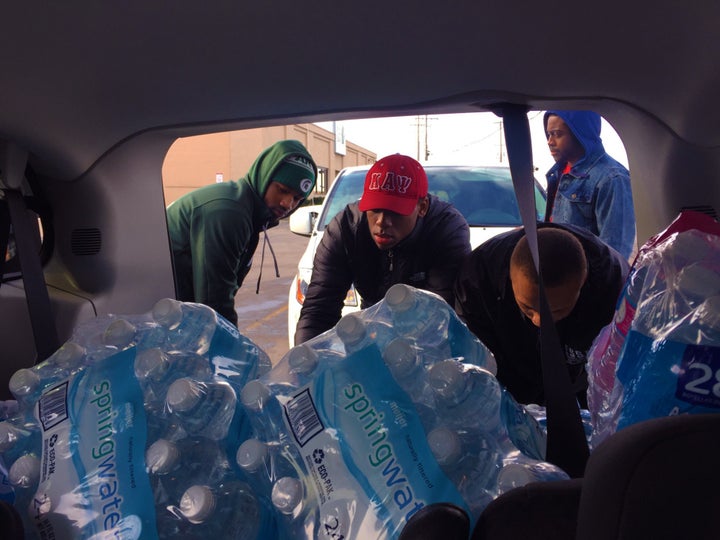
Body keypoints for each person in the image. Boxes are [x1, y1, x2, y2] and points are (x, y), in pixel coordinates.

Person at [295, 153, 471, 345]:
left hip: (426, 332)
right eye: (375, 208)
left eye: (395, 211)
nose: (381, 222)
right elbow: (319, 310)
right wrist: (305, 365)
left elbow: (440, 316)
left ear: (422, 207)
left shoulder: (446, 230)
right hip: (372, 326)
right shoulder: (345, 229)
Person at [454, 223, 629, 407]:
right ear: (511, 277)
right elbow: (478, 360)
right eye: (527, 307)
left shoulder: (614, 288)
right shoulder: (476, 282)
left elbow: (614, 370)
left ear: (582, 282)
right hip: (511, 375)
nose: (539, 321)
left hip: (581, 379)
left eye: (557, 310)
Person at [166, 139, 317, 325]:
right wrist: (231, 349)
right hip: (152, 310)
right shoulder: (228, 211)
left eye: (297, 198)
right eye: (282, 190)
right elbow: (213, 303)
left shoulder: (248, 213)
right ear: (265, 176)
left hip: (171, 312)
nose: (288, 203)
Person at [543, 110, 637, 261]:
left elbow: (615, 252)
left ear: (580, 133)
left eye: (557, 134)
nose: (550, 142)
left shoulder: (612, 179)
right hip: (558, 276)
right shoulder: (559, 173)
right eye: (549, 134)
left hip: (587, 281)